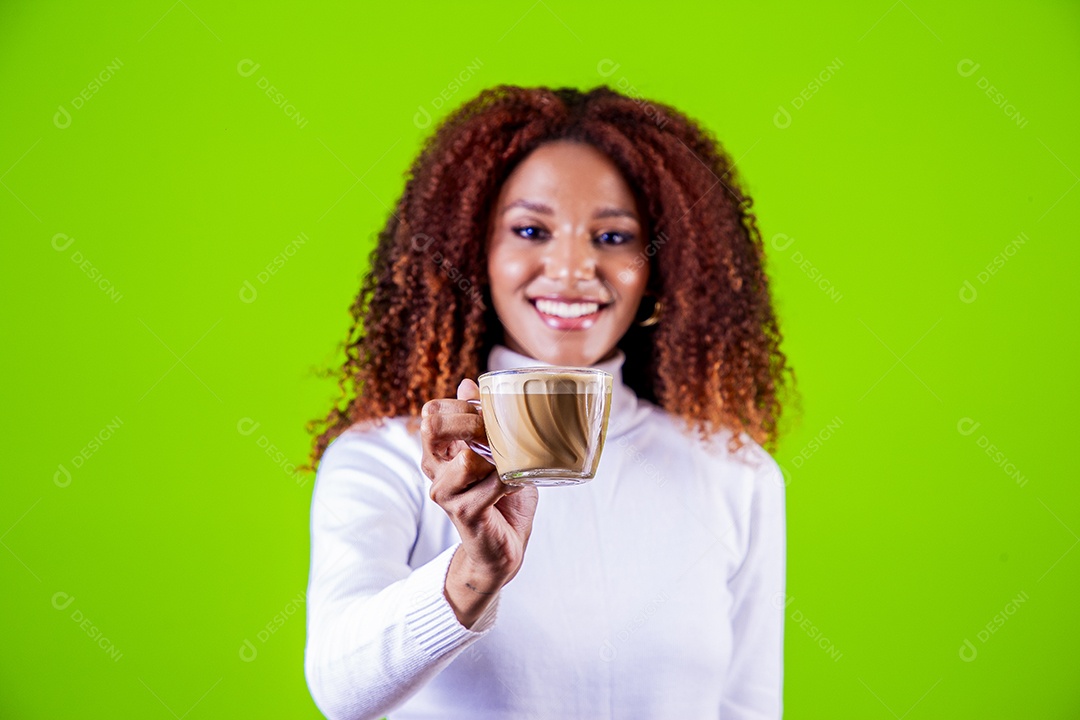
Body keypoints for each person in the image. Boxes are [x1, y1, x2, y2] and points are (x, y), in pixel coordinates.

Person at [302, 84, 794, 719]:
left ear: (660, 267)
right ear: (474, 252)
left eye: (614, 238)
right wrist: (474, 574)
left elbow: (748, 709)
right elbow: (339, 689)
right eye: (531, 230)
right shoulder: (385, 458)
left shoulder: (738, 473)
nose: (569, 268)